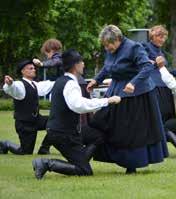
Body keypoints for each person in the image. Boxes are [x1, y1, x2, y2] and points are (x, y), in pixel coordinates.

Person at [86, 25, 168, 174]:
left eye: (108, 45)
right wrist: (96, 80)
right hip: (116, 91)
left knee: (131, 130)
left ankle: (132, 164)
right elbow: (107, 67)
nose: (107, 48)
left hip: (136, 94)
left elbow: (147, 67)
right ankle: (86, 158)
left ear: (118, 39)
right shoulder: (110, 50)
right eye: (104, 45)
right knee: (102, 122)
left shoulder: (134, 48)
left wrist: (133, 83)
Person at [32, 49, 121, 179]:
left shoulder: (60, 81)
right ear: (75, 65)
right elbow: (78, 105)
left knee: (98, 136)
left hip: (62, 132)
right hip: (63, 135)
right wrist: (107, 100)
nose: (84, 64)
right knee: (84, 171)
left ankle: (79, 161)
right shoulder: (70, 84)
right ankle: (46, 163)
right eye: (81, 62)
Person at [0, 60, 54, 155]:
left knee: (56, 123)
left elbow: (49, 84)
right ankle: (6, 144)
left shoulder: (35, 85)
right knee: (26, 151)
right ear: (23, 71)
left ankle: (44, 148)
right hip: (25, 124)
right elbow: (12, 89)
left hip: (36, 120)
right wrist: (10, 84)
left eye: (34, 68)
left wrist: (66, 80)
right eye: (30, 68)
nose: (34, 70)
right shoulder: (19, 85)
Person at [142, 25, 176, 124]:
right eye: (160, 37)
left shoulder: (161, 52)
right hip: (154, 86)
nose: (163, 39)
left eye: (164, 37)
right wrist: (154, 62)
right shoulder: (145, 46)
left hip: (165, 86)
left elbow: (164, 69)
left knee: (167, 116)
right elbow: (142, 61)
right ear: (153, 36)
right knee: (158, 116)